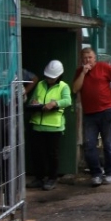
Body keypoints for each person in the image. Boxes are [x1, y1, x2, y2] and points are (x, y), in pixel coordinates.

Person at [72, 46, 111, 186]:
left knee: (109, 144)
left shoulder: (103, 67)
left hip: (107, 111)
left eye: (90, 57)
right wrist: (83, 73)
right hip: (89, 114)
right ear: (82, 60)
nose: (88, 60)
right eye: (85, 58)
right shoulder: (79, 72)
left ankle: (110, 172)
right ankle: (96, 174)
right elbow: (75, 89)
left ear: (95, 58)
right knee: (89, 145)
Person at [26, 59, 72, 191]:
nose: (49, 79)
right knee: (37, 153)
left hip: (53, 127)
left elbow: (67, 101)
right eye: (47, 76)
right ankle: (39, 178)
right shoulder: (40, 84)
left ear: (59, 76)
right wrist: (34, 102)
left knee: (52, 154)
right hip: (37, 125)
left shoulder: (63, 86)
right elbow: (33, 99)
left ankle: (52, 178)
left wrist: (55, 103)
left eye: (52, 77)